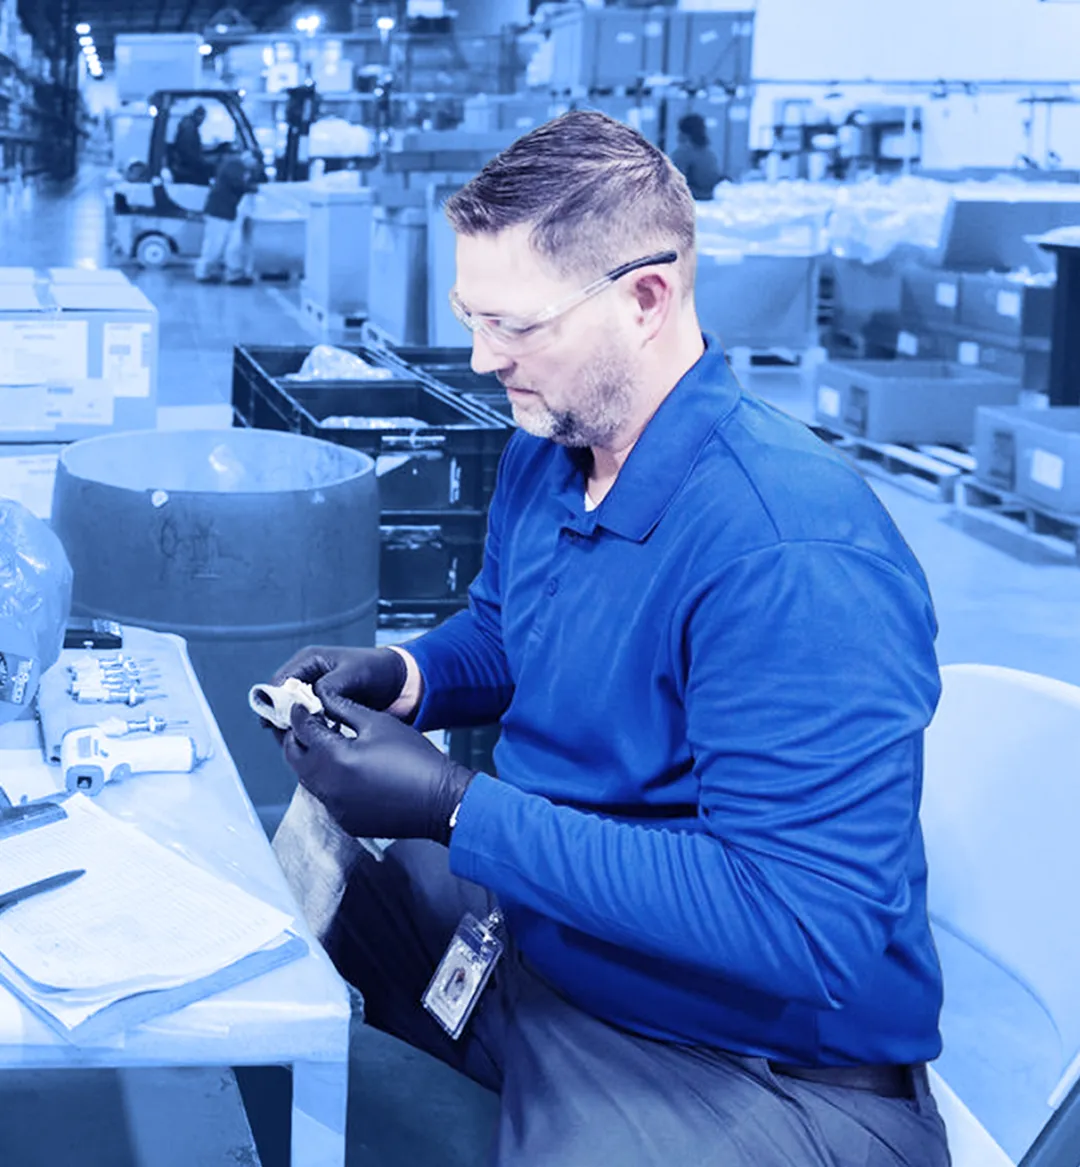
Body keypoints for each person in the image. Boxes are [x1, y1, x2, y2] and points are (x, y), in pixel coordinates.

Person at [270, 111, 950, 1167]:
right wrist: (409, 680)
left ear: (646, 299)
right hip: (558, 946)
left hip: (743, 1059)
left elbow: (800, 924)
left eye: (517, 327)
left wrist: (456, 807)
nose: (483, 357)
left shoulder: (790, 555)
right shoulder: (557, 445)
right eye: (471, 318)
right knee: (312, 922)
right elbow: (510, 631)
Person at [195, 147, 259, 285]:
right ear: (249, 157)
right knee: (215, 244)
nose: (255, 165)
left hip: (227, 212)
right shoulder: (234, 165)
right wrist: (253, 188)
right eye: (255, 162)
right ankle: (204, 272)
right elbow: (237, 184)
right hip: (219, 212)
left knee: (231, 245)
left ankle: (233, 274)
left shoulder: (238, 166)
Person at [670, 111, 723, 200]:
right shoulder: (710, 152)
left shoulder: (683, 153)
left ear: (683, 133)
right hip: (709, 195)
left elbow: (672, 181)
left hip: (693, 196)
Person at [171, 105, 211, 185]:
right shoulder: (189, 128)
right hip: (187, 168)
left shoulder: (188, 125)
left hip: (184, 165)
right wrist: (202, 162)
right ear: (199, 116)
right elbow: (189, 153)